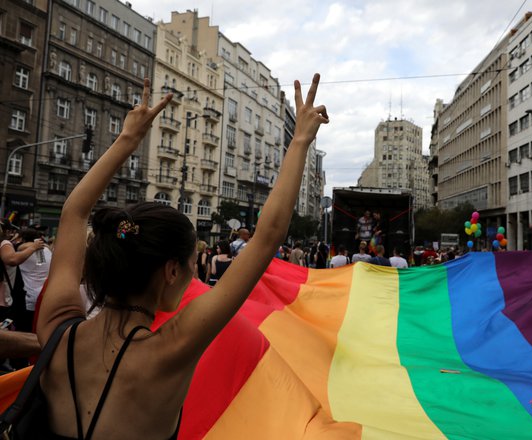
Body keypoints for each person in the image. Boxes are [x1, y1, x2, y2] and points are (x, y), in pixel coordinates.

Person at [36, 75, 328, 438]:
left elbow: (73, 213)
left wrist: (129, 138)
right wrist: (300, 141)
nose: (195, 273)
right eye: (192, 264)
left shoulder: (56, 330)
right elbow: (267, 237)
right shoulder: (171, 349)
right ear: (171, 271)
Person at [17, 228, 52, 331]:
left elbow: (17, 248)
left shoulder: (22, 251)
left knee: (26, 328)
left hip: (29, 297)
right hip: (45, 296)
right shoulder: (46, 250)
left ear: (23, 239)